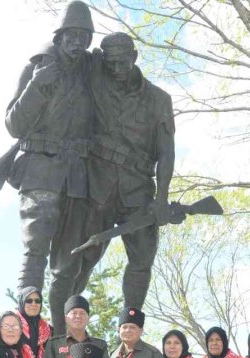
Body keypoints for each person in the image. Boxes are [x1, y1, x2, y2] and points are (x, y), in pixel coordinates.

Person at [69, 31, 177, 310]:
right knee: (85, 256)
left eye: (122, 63)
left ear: (134, 58)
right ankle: (63, 322)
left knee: (142, 259)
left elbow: (166, 153)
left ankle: (131, 326)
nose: (116, 69)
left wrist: (161, 199)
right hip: (98, 186)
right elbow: (71, 50)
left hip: (139, 189)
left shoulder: (159, 100)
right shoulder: (96, 77)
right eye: (111, 64)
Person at [5, 1, 94, 297]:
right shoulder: (36, 67)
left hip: (77, 176)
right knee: (36, 248)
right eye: (71, 34)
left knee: (72, 256)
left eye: (84, 36)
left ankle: (62, 323)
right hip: (40, 169)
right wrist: (36, 87)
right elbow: (14, 125)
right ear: (59, 35)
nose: (77, 41)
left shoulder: (92, 74)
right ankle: (26, 317)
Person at [41, 295, 109, 358]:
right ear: (66, 318)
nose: (78, 316)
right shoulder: (54, 343)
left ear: (88, 318)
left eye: (82, 313)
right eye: (74, 313)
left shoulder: (100, 345)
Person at [16, 286, 52, 358]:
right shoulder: (12, 325)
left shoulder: (47, 329)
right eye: (29, 301)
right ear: (22, 302)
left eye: (37, 301)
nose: (34, 304)